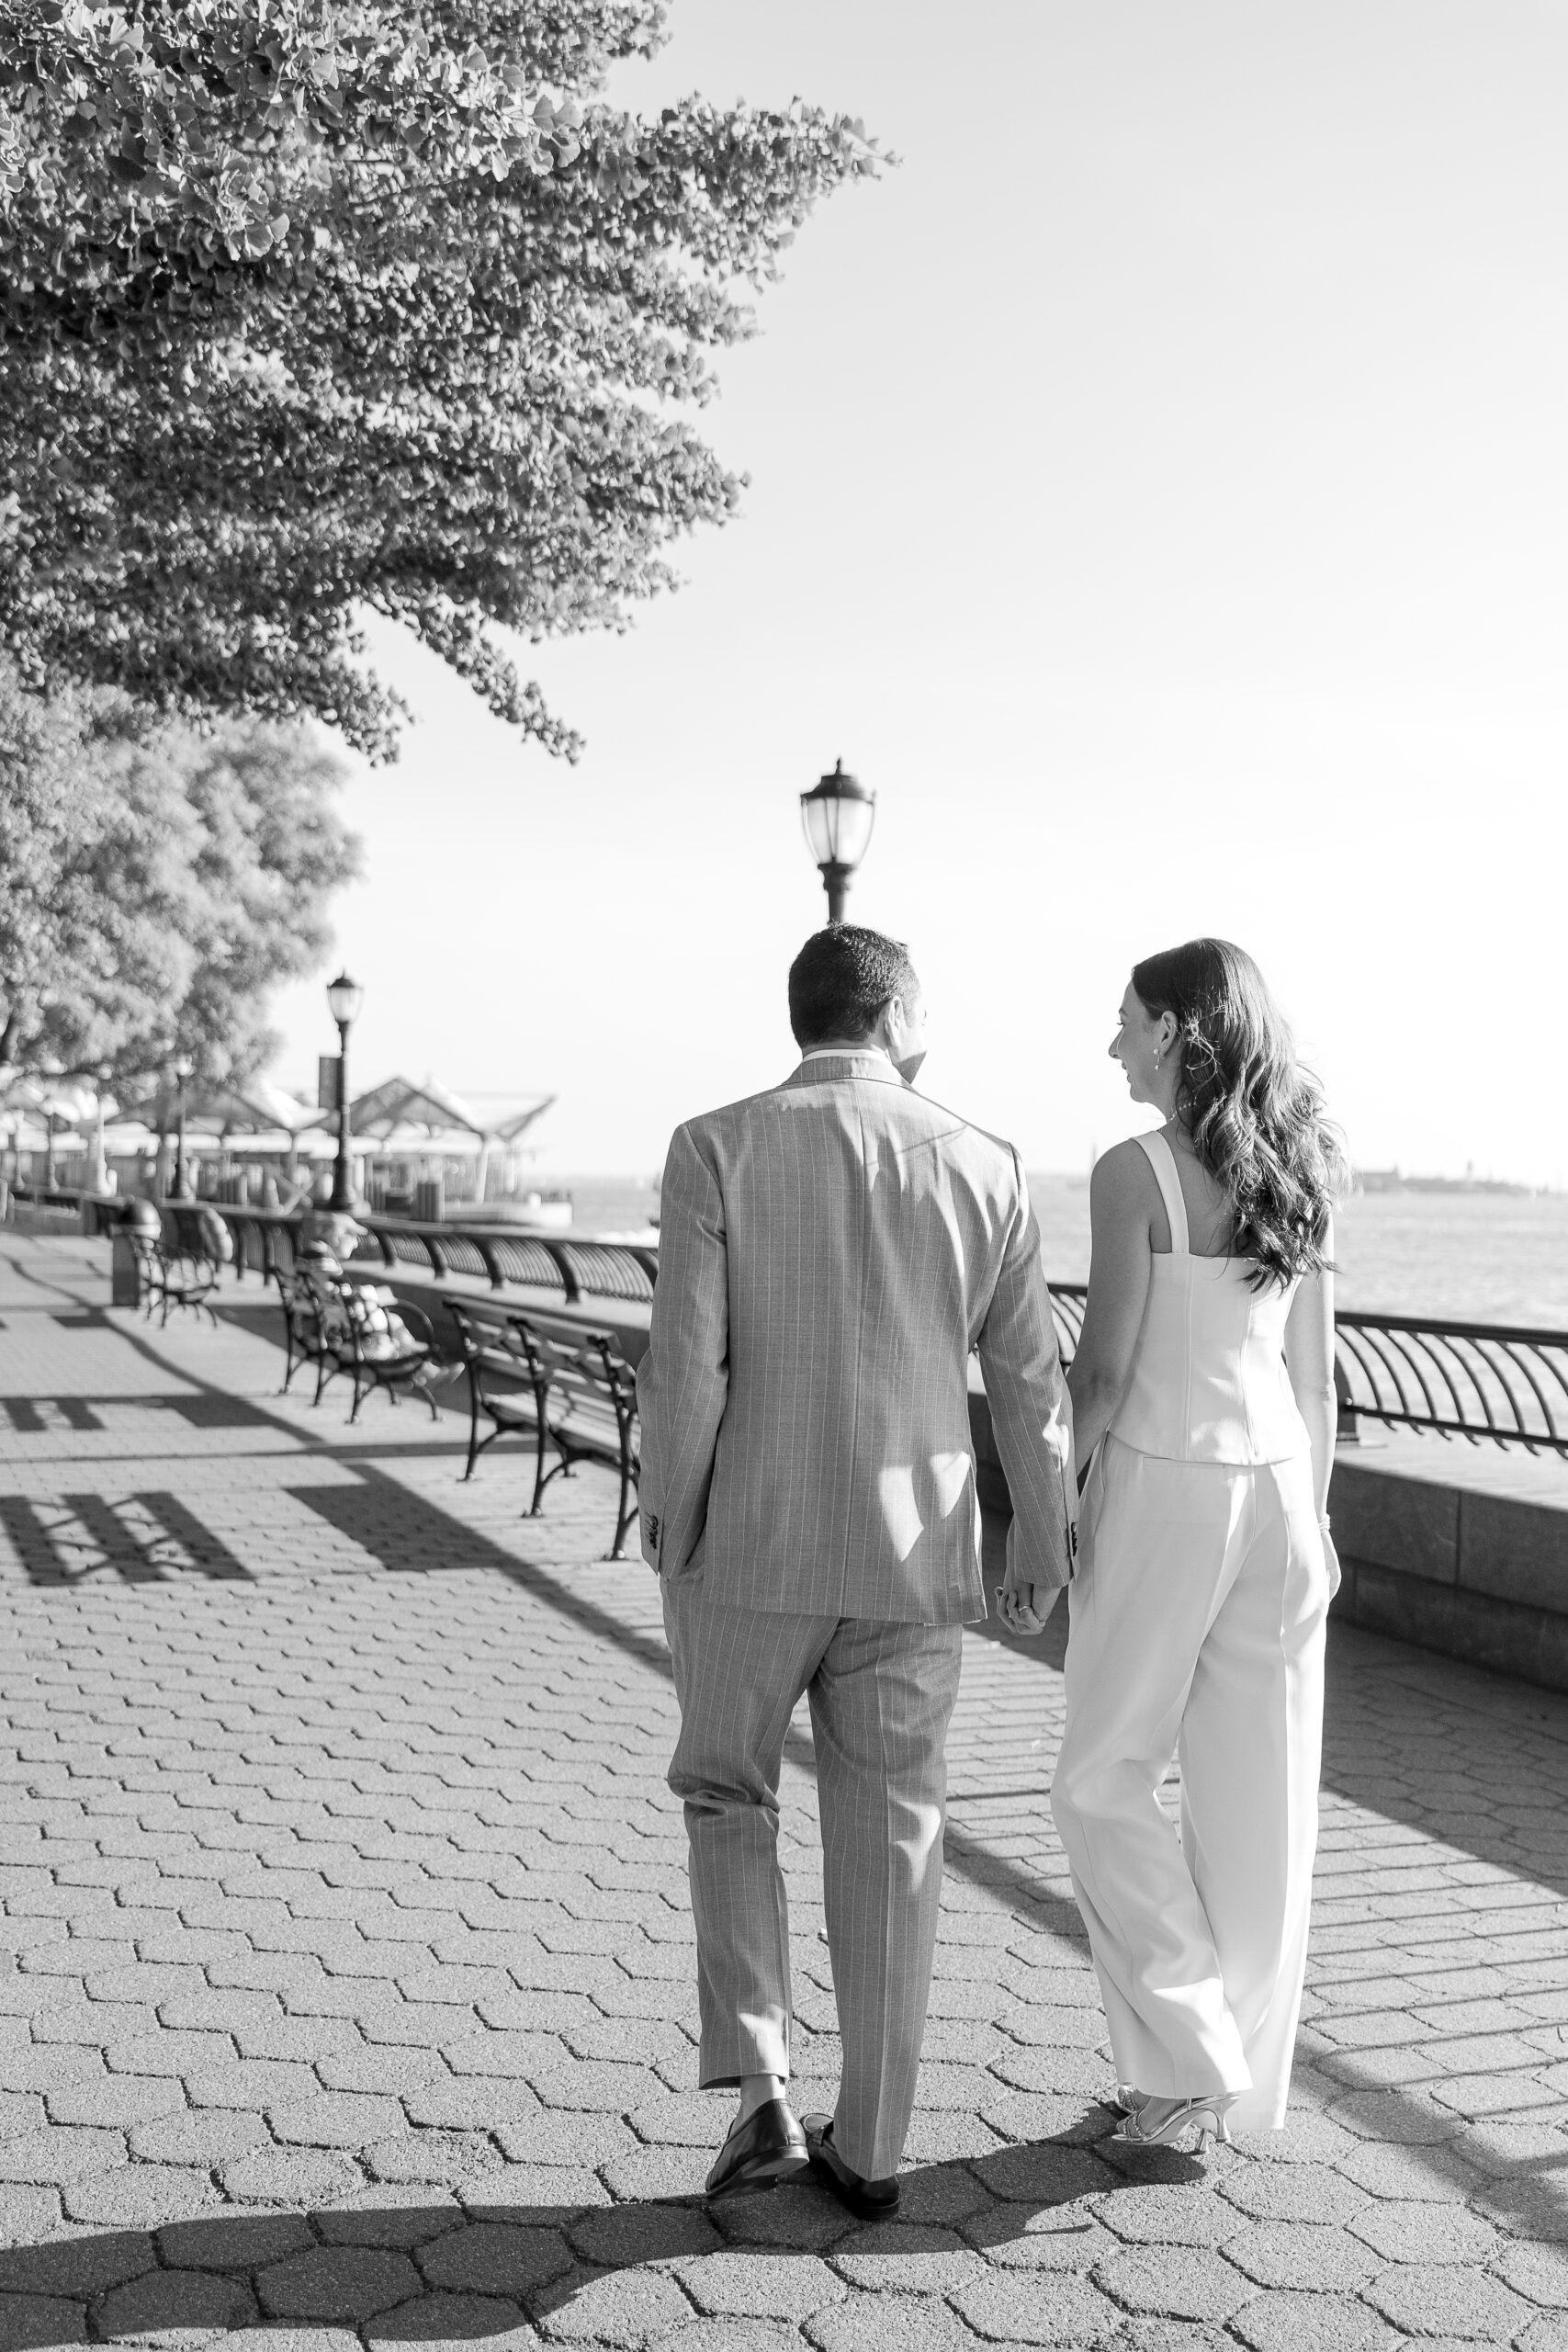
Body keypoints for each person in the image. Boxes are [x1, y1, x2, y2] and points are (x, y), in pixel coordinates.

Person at [637, 924, 1077, 2214]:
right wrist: (1041, 1541)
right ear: (904, 1016)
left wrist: (669, 1509)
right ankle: (875, 2147)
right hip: (914, 1552)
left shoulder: (714, 1144)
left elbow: (689, 1362)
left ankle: (764, 2090)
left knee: (727, 1792)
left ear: (801, 1019)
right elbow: (1029, 1383)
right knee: (894, 1835)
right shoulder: (985, 1161)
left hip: (750, 1544)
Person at [1052, 939, 1345, 2150]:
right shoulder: (1311, 1162)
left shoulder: (1134, 1173)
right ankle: (1208, 2087)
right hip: (1280, 1488)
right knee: (1258, 1803)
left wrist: (1063, 1499)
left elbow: (1106, 1365)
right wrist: (1317, 1525)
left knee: (1100, 1778)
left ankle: (1185, 2061)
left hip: (1169, 1484)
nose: (1112, 1040)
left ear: (1175, 1029)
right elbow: (1315, 1379)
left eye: (1125, 1020)